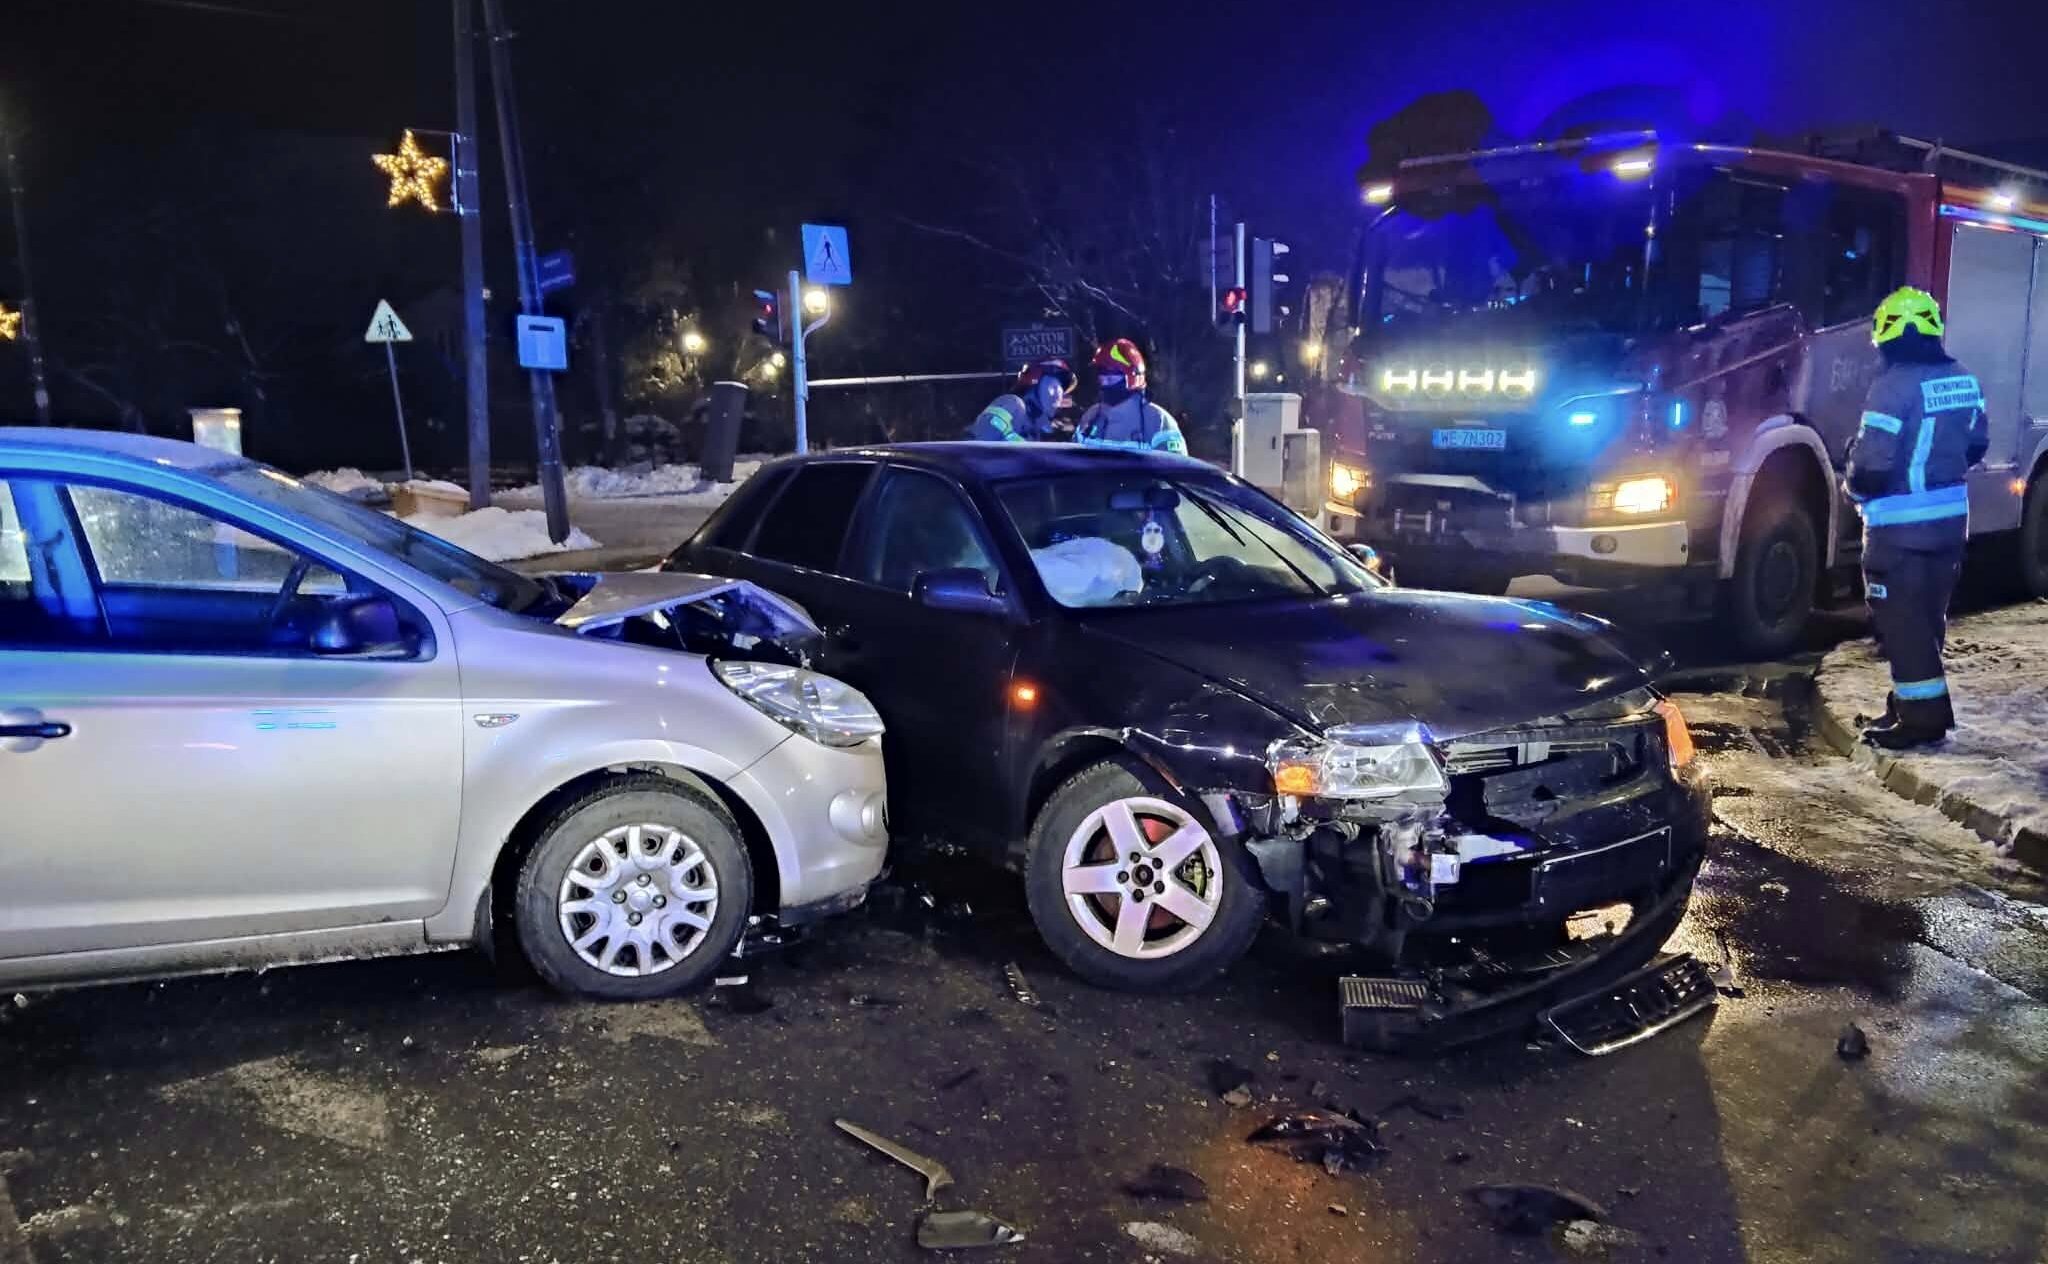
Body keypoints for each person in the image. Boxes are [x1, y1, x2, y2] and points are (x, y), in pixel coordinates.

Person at [1844, 286, 1989, 749]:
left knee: (1901, 623)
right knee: (1926, 621)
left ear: (1884, 334)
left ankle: (1924, 718)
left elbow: (1870, 465)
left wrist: (1852, 485)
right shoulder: (1963, 378)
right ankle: (1907, 703)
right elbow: (1977, 445)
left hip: (1897, 531)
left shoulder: (1892, 386)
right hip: (1950, 525)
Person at [1074, 339, 1188, 455]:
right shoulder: (1091, 417)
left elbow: (1178, 470)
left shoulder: (1159, 422)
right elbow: (1074, 461)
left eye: (1110, 379)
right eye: (1101, 378)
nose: (1104, 384)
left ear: (1132, 377)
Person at [969, 360, 1074, 443]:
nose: (1058, 396)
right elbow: (980, 445)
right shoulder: (1012, 404)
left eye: (1061, 392)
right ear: (1034, 382)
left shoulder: (1037, 429)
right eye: (1053, 388)